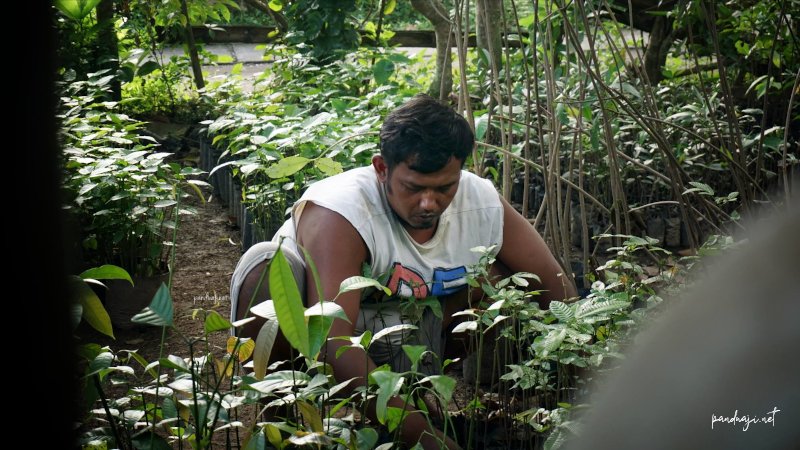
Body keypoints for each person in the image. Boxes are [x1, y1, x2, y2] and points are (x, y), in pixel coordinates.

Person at [230, 94, 577, 449]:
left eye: (445, 188)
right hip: (318, 341)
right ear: (382, 168)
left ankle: (417, 400)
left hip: (416, 334)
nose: (430, 203)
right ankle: (279, 423)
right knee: (265, 264)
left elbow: (556, 289)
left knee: (507, 279)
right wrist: (430, 441)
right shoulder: (341, 211)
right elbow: (333, 342)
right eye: (414, 188)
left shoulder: (479, 200)